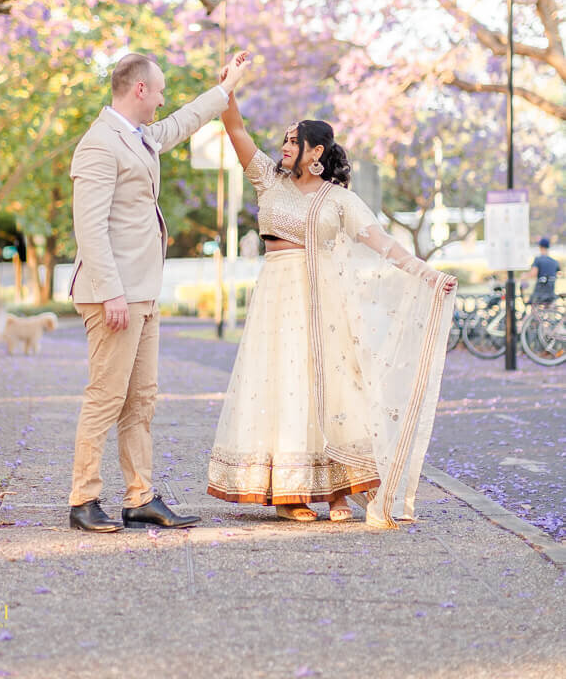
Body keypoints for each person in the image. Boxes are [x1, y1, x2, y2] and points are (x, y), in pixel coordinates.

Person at [207, 87, 457, 529]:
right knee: (284, 384)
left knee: (334, 386)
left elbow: (382, 244)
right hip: (276, 299)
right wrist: (229, 85)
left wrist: (429, 276)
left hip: (324, 300)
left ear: (316, 151)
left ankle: (341, 487)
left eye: (292, 141)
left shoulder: (338, 199)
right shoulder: (267, 178)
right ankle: (289, 492)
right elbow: (235, 126)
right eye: (283, 141)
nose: (283, 148)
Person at [68, 50, 250, 533]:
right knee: (106, 397)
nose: (165, 98)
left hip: (143, 293)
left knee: (141, 399)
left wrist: (225, 87)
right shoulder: (98, 145)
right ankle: (83, 500)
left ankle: (139, 497)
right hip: (114, 294)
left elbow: (184, 121)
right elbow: (89, 227)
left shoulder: (141, 136)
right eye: (161, 89)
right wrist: (110, 294)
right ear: (140, 89)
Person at [524, 237, 560, 304]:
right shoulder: (554, 262)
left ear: (540, 247)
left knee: (533, 308)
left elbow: (533, 273)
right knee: (548, 310)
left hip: (539, 293)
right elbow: (557, 274)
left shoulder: (538, 260)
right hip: (551, 292)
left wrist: (524, 276)